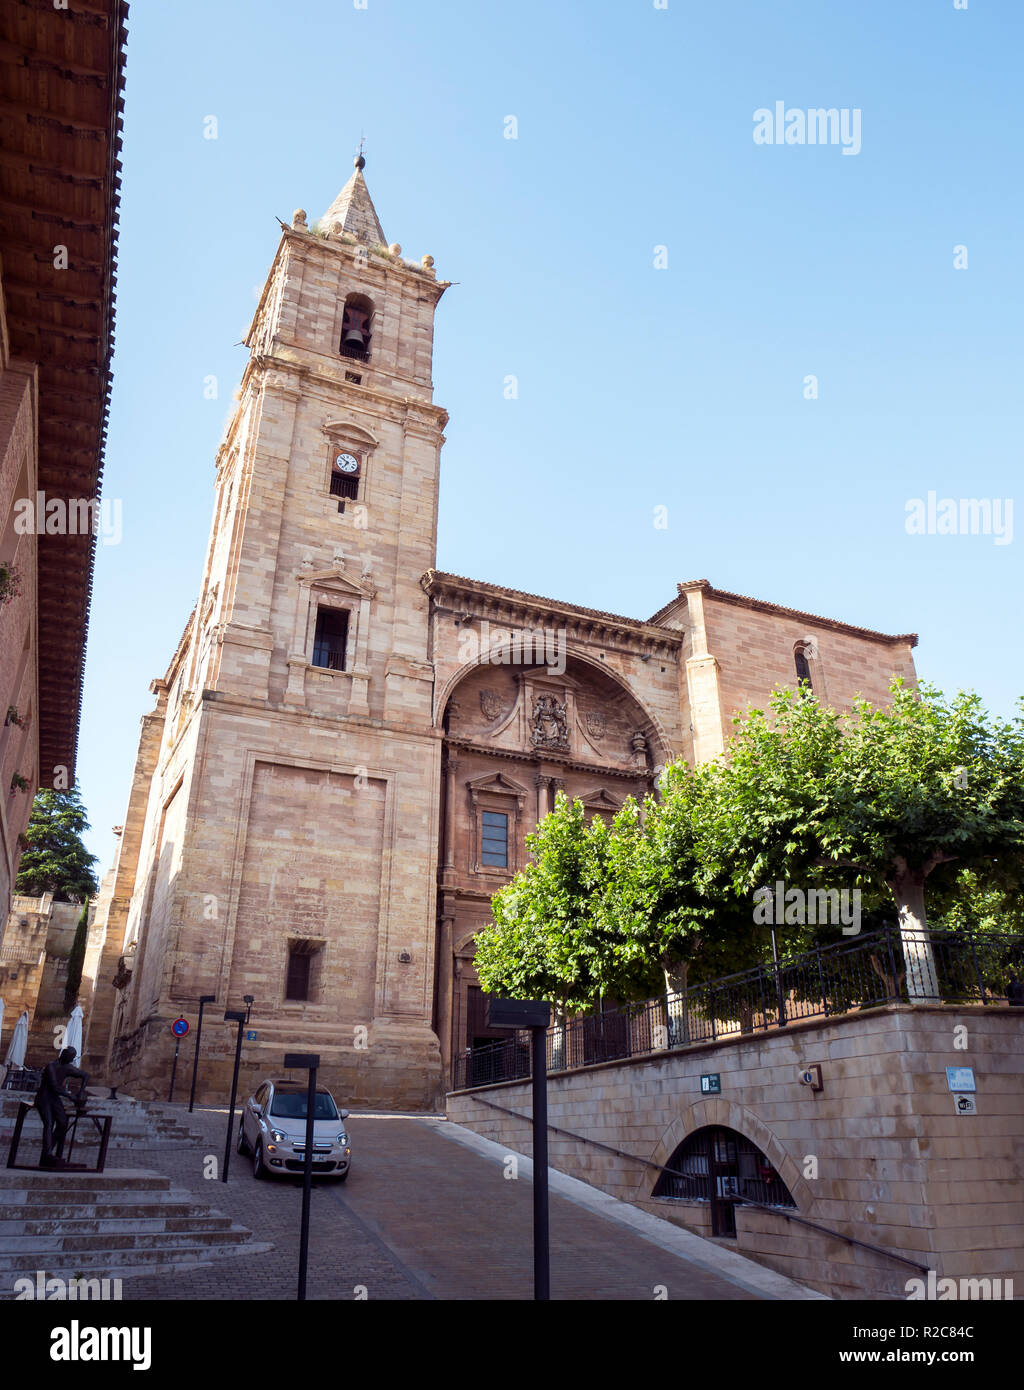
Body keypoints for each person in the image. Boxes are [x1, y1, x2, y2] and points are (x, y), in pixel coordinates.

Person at [32, 1046, 89, 1168]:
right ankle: (47, 1154)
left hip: (54, 1098)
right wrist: (70, 1096)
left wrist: (81, 1091)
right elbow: (54, 1086)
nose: (70, 1060)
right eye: (69, 1057)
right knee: (49, 1123)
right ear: (63, 1055)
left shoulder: (68, 1067)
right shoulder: (51, 1066)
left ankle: (47, 1154)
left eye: (72, 1058)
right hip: (44, 1097)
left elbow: (85, 1075)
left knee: (63, 1123)